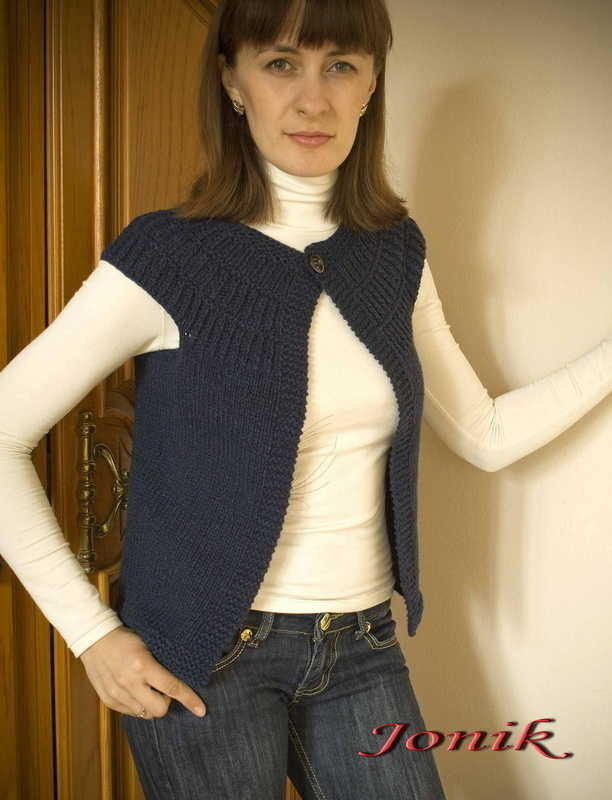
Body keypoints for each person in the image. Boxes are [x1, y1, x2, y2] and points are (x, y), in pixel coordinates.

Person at [0, 1, 610, 798]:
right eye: (281, 63)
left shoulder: (394, 253)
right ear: (233, 80)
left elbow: (483, 432)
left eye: (341, 66)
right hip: (204, 659)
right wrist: (91, 636)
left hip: (362, 647)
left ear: (371, 85)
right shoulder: (170, 255)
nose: (313, 99)